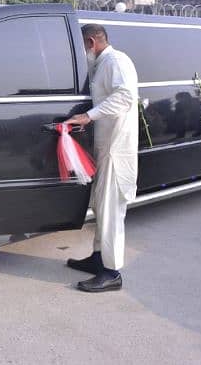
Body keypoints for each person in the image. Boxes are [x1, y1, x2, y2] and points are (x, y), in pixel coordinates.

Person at [64, 24, 139, 292]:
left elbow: (125, 98)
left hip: (117, 151)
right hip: (105, 148)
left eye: (83, 47)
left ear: (91, 41)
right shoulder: (103, 64)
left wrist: (88, 116)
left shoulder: (116, 61)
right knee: (101, 206)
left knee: (111, 212)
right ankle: (98, 258)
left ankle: (112, 272)